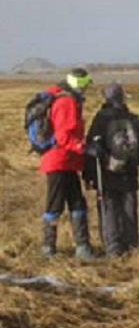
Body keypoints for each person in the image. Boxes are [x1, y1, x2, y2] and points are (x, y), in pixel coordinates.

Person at [83, 83, 139, 256]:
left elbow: (90, 149)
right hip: (130, 173)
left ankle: (113, 247)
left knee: (109, 207)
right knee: (129, 207)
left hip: (106, 173)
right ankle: (131, 245)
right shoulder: (133, 119)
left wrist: (89, 174)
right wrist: (134, 162)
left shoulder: (100, 119)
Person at [40, 68, 94, 258]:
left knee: (77, 202)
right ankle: (48, 247)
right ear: (80, 84)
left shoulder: (68, 100)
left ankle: (82, 246)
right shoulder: (67, 102)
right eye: (86, 85)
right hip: (59, 160)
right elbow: (63, 136)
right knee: (55, 204)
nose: (87, 89)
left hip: (68, 161)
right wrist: (81, 147)